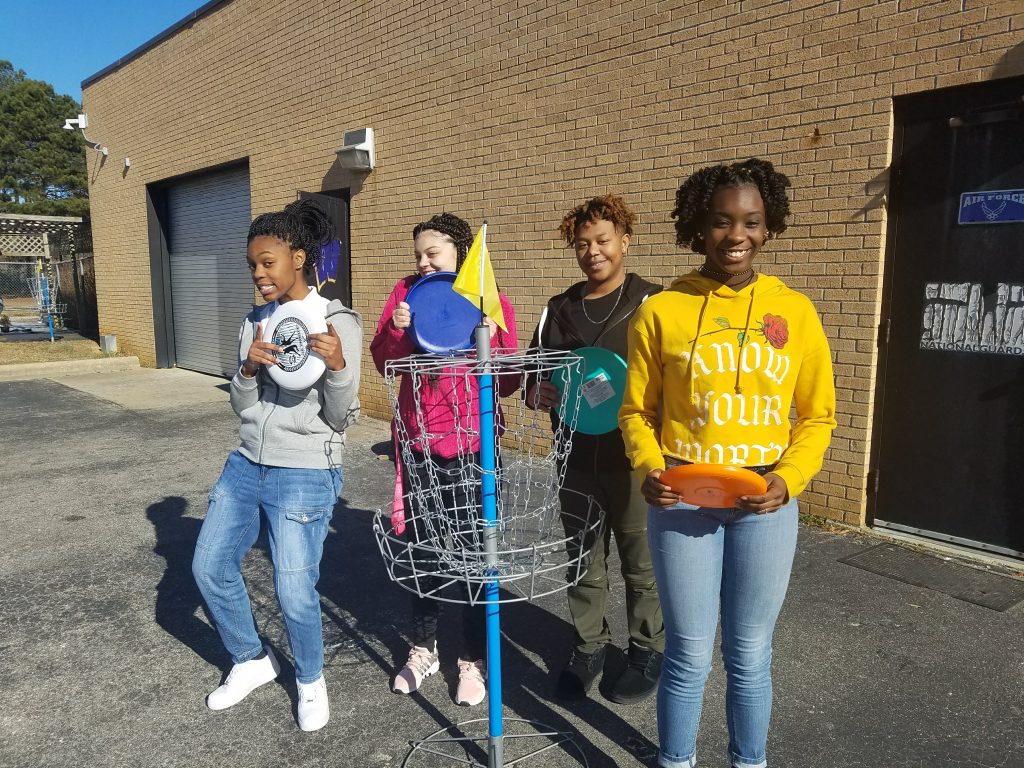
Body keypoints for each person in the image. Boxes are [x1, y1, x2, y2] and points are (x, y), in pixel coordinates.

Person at [618, 158, 836, 768]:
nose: (735, 235)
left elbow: (817, 417)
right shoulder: (662, 311)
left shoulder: (794, 312)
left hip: (763, 503)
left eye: (751, 222)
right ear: (698, 226)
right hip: (683, 496)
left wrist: (788, 481)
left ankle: (749, 761)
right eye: (720, 222)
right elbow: (636, 410)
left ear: (769, 227)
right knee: (688, 652)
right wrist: (649, 468)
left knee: (749, 652)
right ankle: (676, 760)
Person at [192, 199, 362, 732]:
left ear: (298, 256)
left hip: (306, 469)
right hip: (246, 464)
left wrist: (335, 368)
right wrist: (245, 370)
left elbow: (341, 417)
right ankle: (251, 660)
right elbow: (243, 407)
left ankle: (311, 679)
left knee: (293, 588)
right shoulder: (253, 324)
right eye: (252, 266)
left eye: (267, 262)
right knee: (209, 566)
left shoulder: (337, 321)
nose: (259, 275)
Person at [370, 212, 519, 707]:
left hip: (475, 448)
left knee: (478, 555)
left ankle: (472, 658)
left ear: (460, 252)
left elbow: (511, 380)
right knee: (423, 553)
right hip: (419, 447)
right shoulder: (407, 293)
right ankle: (423, 648)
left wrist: (492, 334)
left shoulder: (486, 295)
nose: (422, 261)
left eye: (432, 252)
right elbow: (383, 360)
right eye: (417, 254)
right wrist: (396, 330)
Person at [525, 194, 665, 703]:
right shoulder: (558, 309)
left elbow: (673, 382)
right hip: (575, 458)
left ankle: (649, 648)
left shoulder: (653, 303)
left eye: (603, 240)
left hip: (633, 458)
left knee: (639, 558)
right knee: (583, 556)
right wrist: (536, 394)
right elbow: (534, 379)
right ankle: (590, 647)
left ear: (625, 241)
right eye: (582, 244)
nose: (593, 252)